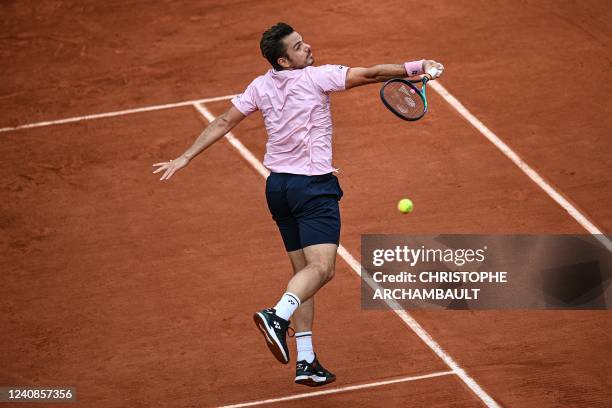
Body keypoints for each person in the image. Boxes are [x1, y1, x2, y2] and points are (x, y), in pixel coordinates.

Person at [152, 22, 444, 387]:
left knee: (302, 273)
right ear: (284, 61)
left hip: (278, 189)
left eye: (303, 42)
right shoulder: (318, 77)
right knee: (322, 270)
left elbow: (225, 120)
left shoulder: (259, 86)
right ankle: (278, 315)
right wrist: (419, 66)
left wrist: (185, 157)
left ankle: (306, 359)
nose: (307, 48)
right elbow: (369, 73)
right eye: (298, 47)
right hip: (313, 188)